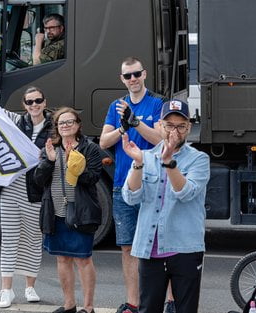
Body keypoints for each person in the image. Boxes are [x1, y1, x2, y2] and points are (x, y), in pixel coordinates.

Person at [122, 100, 210, 313]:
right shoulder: (146, 157)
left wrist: (169, 163)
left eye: (181, 126)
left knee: (185, 309)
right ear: (159, 125)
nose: (174, 131)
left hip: (185, 249)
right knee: (148, 308)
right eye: (169, 125)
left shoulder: (199, 159)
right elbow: (131, 197)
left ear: (188, 128)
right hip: (150, 250)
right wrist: (138, 163)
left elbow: (185, 192)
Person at [99, 56, 165, 313]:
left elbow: (160, 139)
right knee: (128, 247)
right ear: (122, 79)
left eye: (136, 74)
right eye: (128, 76)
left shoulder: (157, 103)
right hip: (122, 185)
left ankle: (167, 303)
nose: (133, 79)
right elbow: (104, 141)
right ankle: (133, 303)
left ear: (144, 74)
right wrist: (122, 128)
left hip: (154, 184)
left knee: (161, 247)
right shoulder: (116, 105)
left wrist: (136, 122)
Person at [34, 107, 102, 313]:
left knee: (83, 258)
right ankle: (69, 304)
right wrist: (51, 160)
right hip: (55, 212)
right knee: (62, 258)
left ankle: (88, 307)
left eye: (69, 122)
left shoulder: (89, 148)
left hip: (80, 212)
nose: (65, 126)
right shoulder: (50, 147)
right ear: (56, 127)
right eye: (61, 123)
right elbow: (38, 180)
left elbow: (93, 178)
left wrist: (75, 165)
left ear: (78, 125)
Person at [0, 86, 53, 308]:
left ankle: (30, 286)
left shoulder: (53, 127)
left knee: (33, 239)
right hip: (11, 189)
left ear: (45, 102)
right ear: (24, 105)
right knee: (9, 238)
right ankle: (6, 290)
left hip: (36, 191)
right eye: (29, 102)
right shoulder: (16, 121)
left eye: (38, 100)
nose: (34, 105)